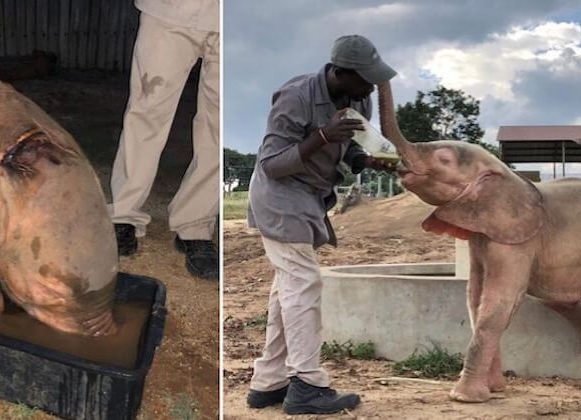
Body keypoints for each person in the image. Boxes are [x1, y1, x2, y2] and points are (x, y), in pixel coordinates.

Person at [245, 35, 398, 415]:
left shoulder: (358, 99)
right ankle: (307, 384)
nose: (372, 87)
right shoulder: (296, 97)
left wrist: (366, 160)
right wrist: (323, 136)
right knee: (303, 283)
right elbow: (272, 165)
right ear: (340, 72)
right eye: (366, 78)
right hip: (281, 197)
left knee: (288, 289)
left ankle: (269, 382)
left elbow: (352, 147)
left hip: (311, 198)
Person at [108, 0, 219, 280]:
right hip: (169, 9)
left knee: (219, 127)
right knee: (147, 112)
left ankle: (195, 224)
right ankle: (123, 213)